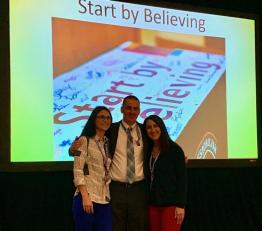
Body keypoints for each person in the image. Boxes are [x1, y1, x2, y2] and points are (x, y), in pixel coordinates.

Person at [107, 95, 149, 231]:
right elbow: (91, 143)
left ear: (139, 111)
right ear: (121, 109)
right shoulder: (111, 130)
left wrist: (178, 156)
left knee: (137, 227)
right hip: (116, 188)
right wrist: (73, 150)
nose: (132, 111)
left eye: (135, 109)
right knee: (115, 226)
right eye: (128, 108)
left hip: (139, 189)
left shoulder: (145, 130)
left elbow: (162, 144)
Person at [70, 106, 113, 231]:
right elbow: (78, 170)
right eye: (101, 117)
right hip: (87, 198)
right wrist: (85, 196)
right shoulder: (84, 141)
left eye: (108, 118)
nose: (105, 120)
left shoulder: (107, 143)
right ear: (94, 119)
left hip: (104, 199)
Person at [143, 115, 187, 231]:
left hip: (171, 205)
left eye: (155, 126)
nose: (153, 130)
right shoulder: (147, 150)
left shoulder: (175, 150)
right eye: (149, 127)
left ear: (161, 127)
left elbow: (182, 179)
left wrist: (180, 205)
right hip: (153, 204)